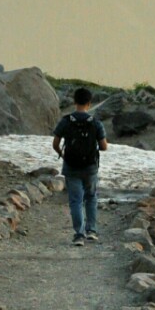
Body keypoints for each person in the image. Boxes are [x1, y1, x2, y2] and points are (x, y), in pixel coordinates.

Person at [51, 87, 108, 246]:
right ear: (89, 103)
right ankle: (92, 231)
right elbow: (104, 146)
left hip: (71, 167)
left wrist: (63, 155)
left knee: (75, 201)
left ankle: (79, 235)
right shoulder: (95, 123)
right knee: (91, 198)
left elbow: (55, 143)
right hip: (90, 167)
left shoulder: (66, 121)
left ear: (75, 102)